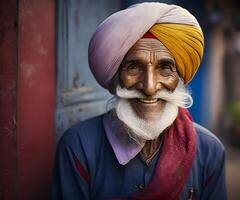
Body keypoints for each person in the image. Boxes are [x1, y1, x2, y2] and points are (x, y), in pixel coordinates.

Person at [51, 2, 227, 200]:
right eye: (133, 67)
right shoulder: (78, 146)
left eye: (165, 68)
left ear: (179, 78)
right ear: (117, 75)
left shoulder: (209, 151)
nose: (149, 87)